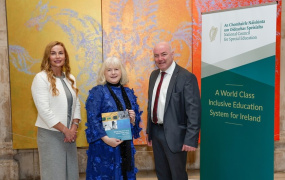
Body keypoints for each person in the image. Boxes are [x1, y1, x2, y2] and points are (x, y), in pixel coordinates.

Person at [146, 41, 201, 180]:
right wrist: (149, 131)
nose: (160, 58)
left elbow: (194, 110)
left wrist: (190, 139)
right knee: (162, 174)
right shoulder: (153, 76)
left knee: (178, 175)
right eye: (156, 55)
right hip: (156, 133)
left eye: (164, 54)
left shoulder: (186, 77)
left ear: (172, 54)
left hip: (176, 136)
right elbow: (151, 105)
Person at [85, 57, 142, 180]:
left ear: (121, 72)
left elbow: (135, 121)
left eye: (116, 69)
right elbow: (92, 119)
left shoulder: (128, 92)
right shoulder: (98, 91)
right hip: (104, 146)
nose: (113, 73)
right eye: (109, 70)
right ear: (103, 73)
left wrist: (132, 119)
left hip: (125, 146)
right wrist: (106, 138)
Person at [31, 41, 81, 180]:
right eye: (53, 53)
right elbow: (44, 111)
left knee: (71, 174)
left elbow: (76, 105)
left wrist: (73, 127)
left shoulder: (71, 78)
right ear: (48, 57)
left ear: (65, 56)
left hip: (69, 135)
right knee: (54, 175)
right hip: (50, 135)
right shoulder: (40, 78)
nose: (57, 56)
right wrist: (66, 130)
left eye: (60, 53)